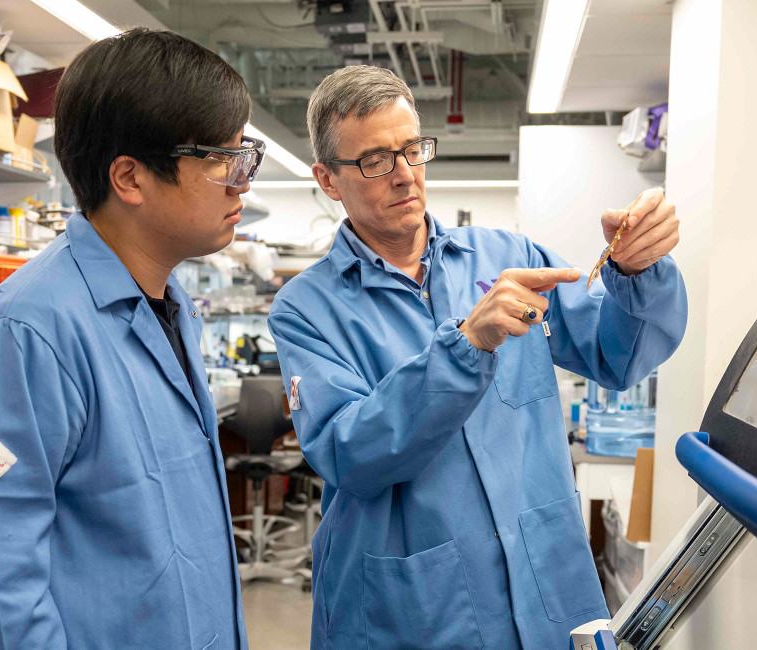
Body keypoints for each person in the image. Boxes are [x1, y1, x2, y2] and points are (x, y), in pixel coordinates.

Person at [268, 65, 687, 649]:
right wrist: (465, 348)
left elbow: (619, 357)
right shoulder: (306, 309)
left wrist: (636, 273)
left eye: (412, 149)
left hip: (547, 585)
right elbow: (350, 454)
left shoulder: (509, 256)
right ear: (328, 179)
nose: (404, 175)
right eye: (374, 160)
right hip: (414, 608)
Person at [0, 29, 263, 648]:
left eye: (246, 156)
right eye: (223, 158)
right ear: (130, 178)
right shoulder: (26, 333)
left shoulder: (170, 308)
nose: (243, 181)